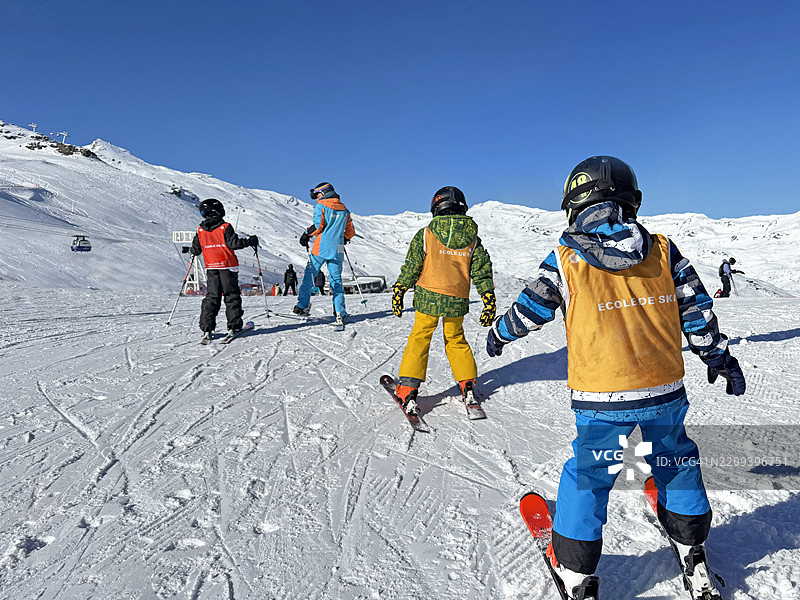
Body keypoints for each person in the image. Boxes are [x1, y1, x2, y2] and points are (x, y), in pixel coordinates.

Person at [486, 157, 746, 600]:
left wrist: (499, 333)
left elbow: (531, 308)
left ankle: (574, 571)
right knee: (674, 459)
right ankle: (692, 545)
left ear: (573, 204)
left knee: (591, 472)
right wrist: (717, 356)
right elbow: (696, 311)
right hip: (664, 388)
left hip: (602, 395)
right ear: (631, 200)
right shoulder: (663, 249)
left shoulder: (566, 258)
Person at [391, 186, 495, 414]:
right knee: (456, 339)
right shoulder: (473, 239)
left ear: (436, 207)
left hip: (428, 296)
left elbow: (412, 266)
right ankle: (468, 385)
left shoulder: (426, 234)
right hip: (456, 300)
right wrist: (488, 297)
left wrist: (400, 288)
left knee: (420, 337)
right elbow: (481, 270)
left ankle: (407, 390)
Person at [190, 198, 259, 341]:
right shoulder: (225, 227)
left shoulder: (200, 230)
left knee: (212, 297)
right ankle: (234, 326)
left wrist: (191, 249)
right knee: (231, 295)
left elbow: (196, 250)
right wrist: (249, 241)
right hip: (228, 266)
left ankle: (207, 328)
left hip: (211, 267)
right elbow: (234, 244)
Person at [294, 182, 355, 326]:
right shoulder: (345, 210)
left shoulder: (321, 206)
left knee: (309, 275)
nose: (316, 199)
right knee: (336, 281)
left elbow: (318, 226)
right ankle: (340, 311)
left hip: (321, 248)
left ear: (323, 193)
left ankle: (302, 306)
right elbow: (350, 232)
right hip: (337, 249)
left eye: (317, 195)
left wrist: (306, 235)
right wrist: (344, 238)